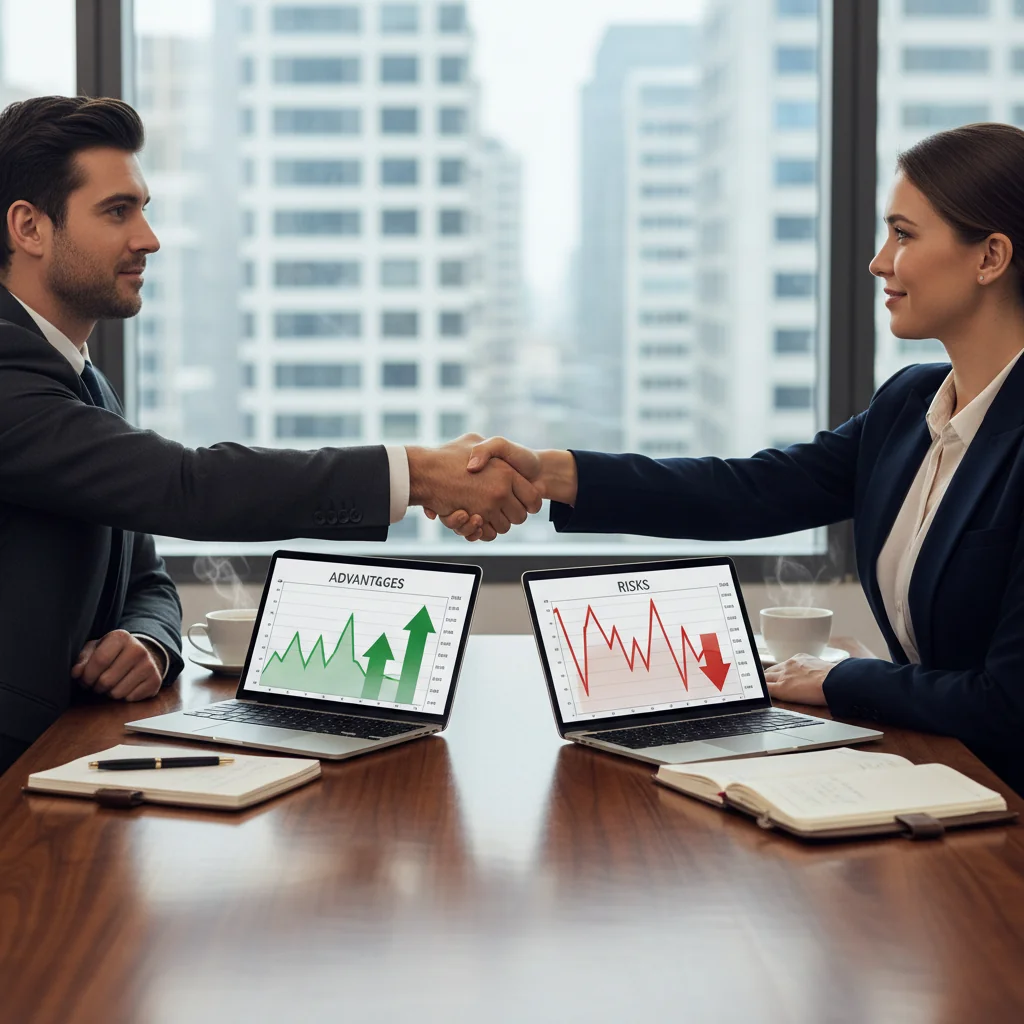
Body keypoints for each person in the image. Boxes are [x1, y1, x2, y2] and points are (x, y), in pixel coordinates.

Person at [435, 122, 1024, 794]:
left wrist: (842, 678)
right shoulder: (909, 404)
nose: (878, 262)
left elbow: (1007, 704)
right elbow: (751, 492)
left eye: (904, 234)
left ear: (990, 257)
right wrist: (551, 475)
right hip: (940, 774)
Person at [0, 95, 540, 774]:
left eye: (144, 208)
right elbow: (188, 488)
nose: (149, 238)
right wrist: (419, 474)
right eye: (117, 211)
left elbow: (147, 578)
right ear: (29, 227)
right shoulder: (10, 375)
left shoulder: (81, 381)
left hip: (70, 757)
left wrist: (149, 642)